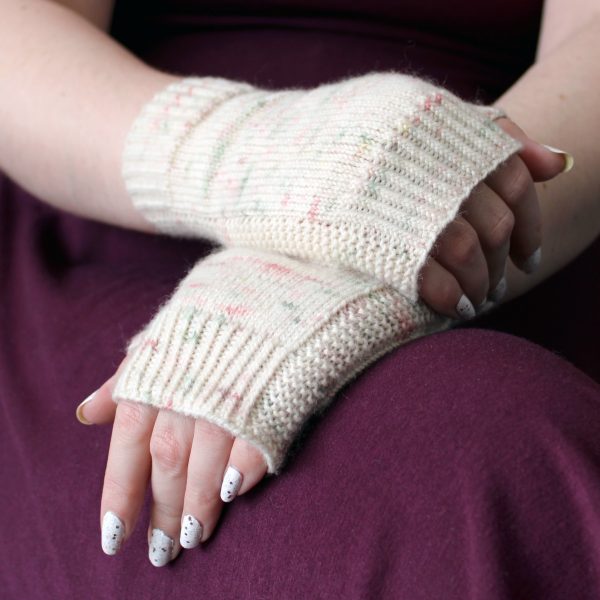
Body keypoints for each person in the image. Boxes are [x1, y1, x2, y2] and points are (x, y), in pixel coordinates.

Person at [0, 0, 599, 597]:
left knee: (501, 457)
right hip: (119, 200)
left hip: (477, 229)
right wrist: (272, 161)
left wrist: (402, 210)